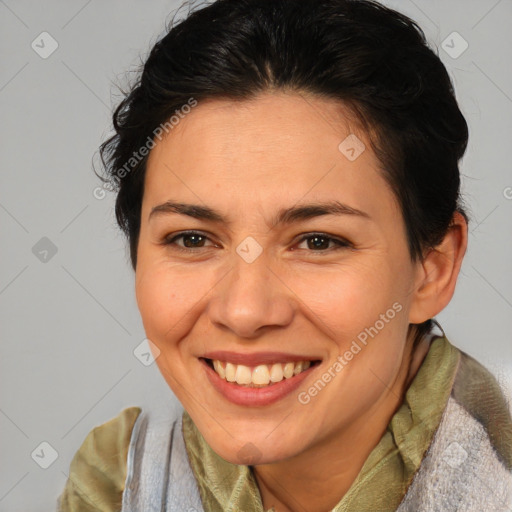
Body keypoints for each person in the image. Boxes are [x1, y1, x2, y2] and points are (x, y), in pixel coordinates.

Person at [57, 0, 512, 510]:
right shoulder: (119, 477)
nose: (245, 311)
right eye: (192, 239)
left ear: (433, 268)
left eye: (318, 241)